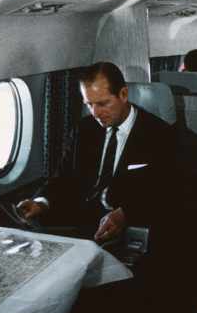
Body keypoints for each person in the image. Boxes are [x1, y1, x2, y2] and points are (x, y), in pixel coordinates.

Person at [17, 62, 179, 250]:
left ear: (123, 95)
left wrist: (125, 214)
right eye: (89, 104)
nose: (95, 113)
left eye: (102, 103)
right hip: (80, 221)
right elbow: (61, 178)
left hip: (129, 225)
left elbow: (166, 193)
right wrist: (41, 202)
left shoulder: (159, 135)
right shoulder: (83, 129)